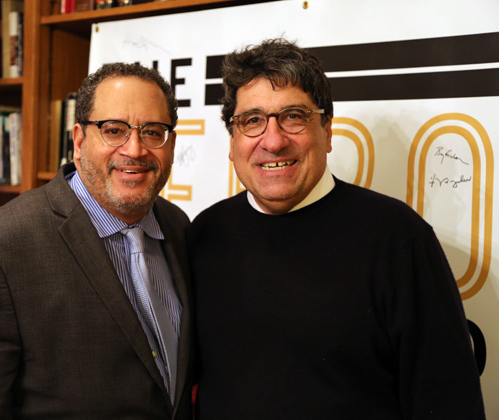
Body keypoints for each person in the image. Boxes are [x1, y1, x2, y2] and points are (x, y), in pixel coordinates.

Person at [189, 38, 485, 419]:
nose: (274, 140)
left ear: (327, 131)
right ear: (232, 141)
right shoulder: (205, 234)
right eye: (252, 121)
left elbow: (447, 401)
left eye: (294, 116)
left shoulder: (397, 238)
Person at [0, 63, 194, 419]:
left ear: (171, 142)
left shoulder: (177, 226)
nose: (135, 149)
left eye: (153, 132)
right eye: (114, 130)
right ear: (79, 140)